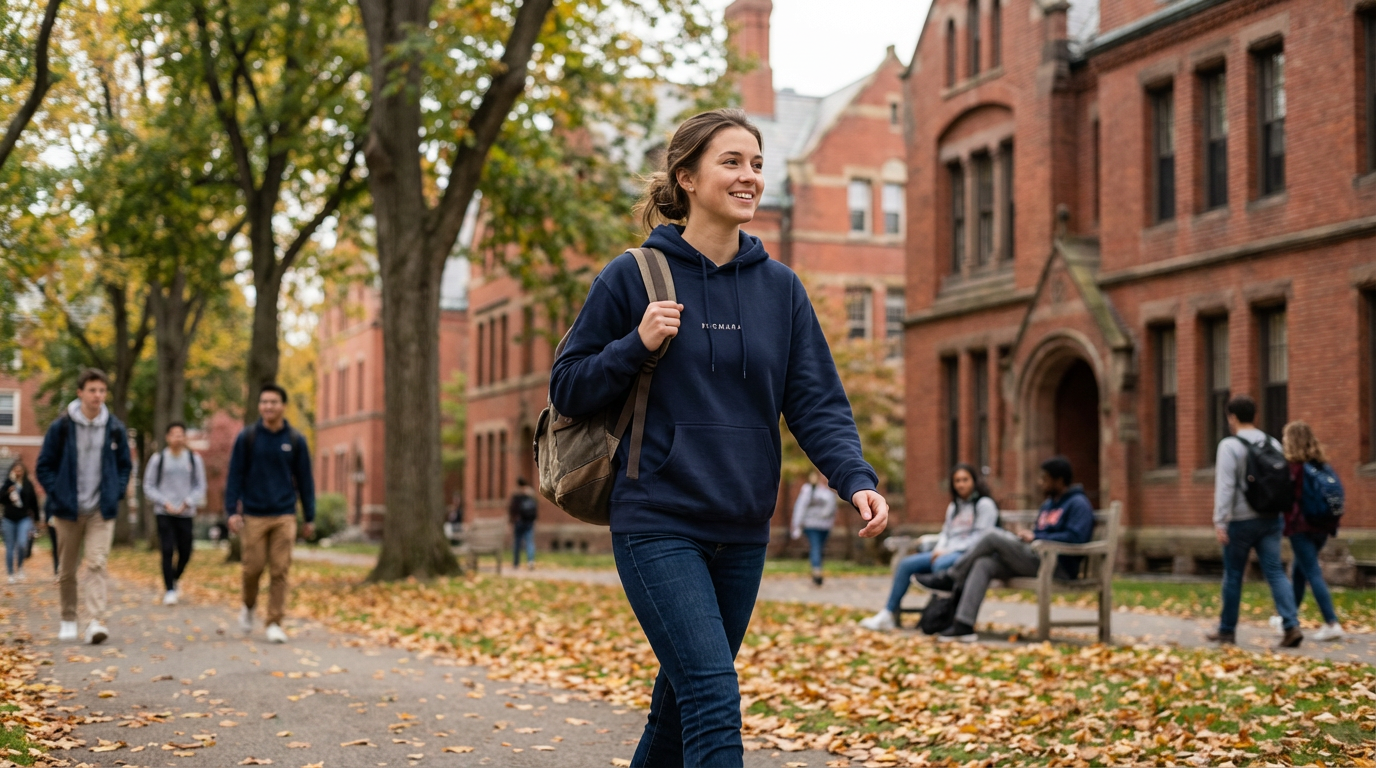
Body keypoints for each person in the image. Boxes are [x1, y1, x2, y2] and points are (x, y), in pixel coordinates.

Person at [549, 108, 888, 768]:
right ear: (688, 178)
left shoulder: (781, 290)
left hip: (742, 527)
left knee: (680, 708)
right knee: (711, 693)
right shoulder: (635, 276)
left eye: (757, 164)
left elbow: (815, 402)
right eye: (731, 162)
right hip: (657, 520)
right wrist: (634, 345)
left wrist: (856, 478)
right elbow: (568, 388)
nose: (749, 177)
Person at [916, 456, 1093, 643]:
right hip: (1036, 558)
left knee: (992, 535)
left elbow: (1076, 539)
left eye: (1045, 478)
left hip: (1058, 567)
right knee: (984, 563)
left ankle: (951, 576)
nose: (1041, 483)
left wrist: (1038, 537)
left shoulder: (1078, 504)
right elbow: (1041, 533)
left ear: (1059, 480)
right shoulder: (1049, 504)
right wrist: (1030, 536)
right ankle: (963, 625)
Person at [34, 369, 133, 644]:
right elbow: (44, 466)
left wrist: (115, 491)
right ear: (80, 393)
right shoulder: (62, 427)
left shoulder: (114, 427)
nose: (97, 396)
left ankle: (94, 621)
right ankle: (68, 618)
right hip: (67, 510)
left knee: (97, 564)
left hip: (101, 510)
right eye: (92, 390)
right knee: (67, 569)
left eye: (102, 391)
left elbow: (125, 465)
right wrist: (59, 493)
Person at [1207, 395, 1302, 648]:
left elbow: (1225, 486)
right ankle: (1291, 625)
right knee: (1275, 571)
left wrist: (1220, 521)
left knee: (1234, 574)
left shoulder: (1229, 445)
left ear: (1232, 417)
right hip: (1271, 518)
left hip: (1240, 520)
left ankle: (1227, 631)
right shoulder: (1271, 442)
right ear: (1255, 416)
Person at [224, 383, 315, 644]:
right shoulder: (248, 437)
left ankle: (274, 622)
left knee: (280, 570)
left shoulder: (296, 440)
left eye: (273, 402)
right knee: (252, 568)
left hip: (284, 514)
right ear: (259, 406)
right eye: (264, 402)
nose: (268, 406)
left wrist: (309, 516)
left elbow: (305, 481)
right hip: (253, 514)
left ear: (282, 406)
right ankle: (248, 605)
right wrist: (232, 510)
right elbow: (235, 476)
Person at [860, 463, 998, 631]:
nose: (961, 484)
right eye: (957, 481)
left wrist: (947, 552)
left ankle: (939, 611)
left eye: (965, 480)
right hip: (945, 552)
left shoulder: (985, 505)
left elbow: (981, 539)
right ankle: (887, 614)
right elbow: (946, 533)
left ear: (974, 481)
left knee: (940, 564)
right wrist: (939, 550)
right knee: (905, 564)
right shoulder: (954, 507)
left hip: (967, 554)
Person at [1270, 421, 1344, 641]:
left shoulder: (1294, 468)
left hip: (1300, 527)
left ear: (1292, 441)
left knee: (1311, 571)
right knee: (1299, 572)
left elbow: (1286, 498)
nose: (1283, 443)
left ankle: (1331, 623)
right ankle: (1288, 618)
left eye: (1285, 438)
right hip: (1322, 527)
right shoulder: (1321, 465)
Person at [143, 422, 207, 605]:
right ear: (167, 437)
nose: (177, 438)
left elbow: (200, 486)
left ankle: (175, 577)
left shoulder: (194, 459)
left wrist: (188, 502)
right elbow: (149, 485)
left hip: (186, 513)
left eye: (181, 434)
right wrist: (164, 502)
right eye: (174, 434)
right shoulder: (158, 459)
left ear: (185, 437)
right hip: (164, 512)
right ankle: (169, 589)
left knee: (186, 551)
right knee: (167, 549)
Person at [790, 471, 837, 586]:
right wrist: (796, 524)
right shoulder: (809, 489)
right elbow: (800, 506)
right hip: (811, 524)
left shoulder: (830, 490)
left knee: (820, 548)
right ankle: (817, 573)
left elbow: (832, 509)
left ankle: (817, 568)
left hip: (825, 526)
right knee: (815, 546)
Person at [2, 459, 41, 583]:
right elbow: (1, 498)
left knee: (22, 543)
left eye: (20, 470)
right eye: (16, 470)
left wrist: (37, 519)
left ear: (23, 471)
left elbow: (33, 503)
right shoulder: (8, 484)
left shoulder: (27, 484)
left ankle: (19, 569)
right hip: (8, 519)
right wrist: (9, 488)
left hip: (23, 518)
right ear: (12, 471)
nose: (18, 472)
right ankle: (10, 574)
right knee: (9, 547)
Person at [508, 478, 538, 570]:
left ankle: (516, 563)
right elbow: (535, 506)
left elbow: (512, 509)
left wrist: (511, 521)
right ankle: (530, 561)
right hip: (529, 522)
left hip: (519, 522)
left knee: (517, 543)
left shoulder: (516, 495)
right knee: (529, 542)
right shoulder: (530, 494)